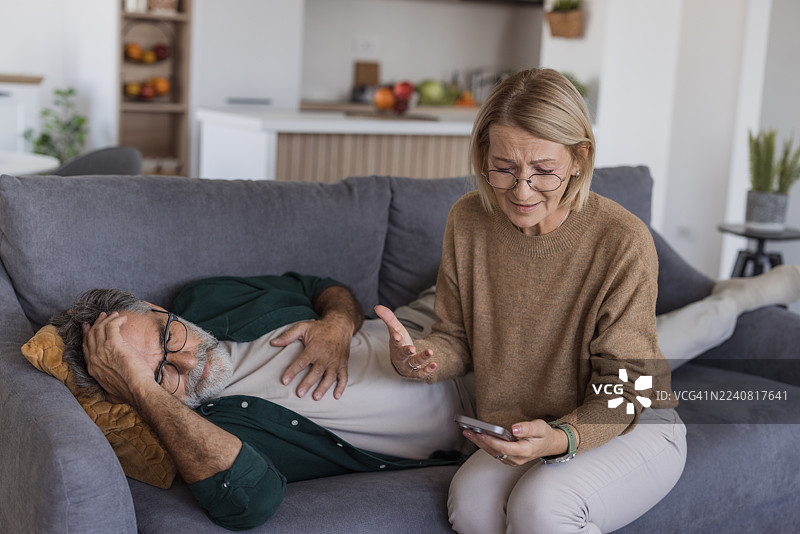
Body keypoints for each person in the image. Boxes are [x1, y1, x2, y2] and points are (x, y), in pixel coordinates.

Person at [371, 67, 791, 534]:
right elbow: (456, 336)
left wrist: (564, 437)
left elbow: (628, 386)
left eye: (543, 171)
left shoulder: (622, 238)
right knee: (470, 504)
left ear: (579, 158)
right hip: (527, 426)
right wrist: (423, 358)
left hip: (631, 421)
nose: (521, 190)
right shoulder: (468, 219)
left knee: (542, 506)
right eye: (504, 168)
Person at [52, 273, 472, 531]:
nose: (187, 361)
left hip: (441, 322)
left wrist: (338, 323)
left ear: (156, 308)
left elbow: (320, 286)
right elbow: (250, 505)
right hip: (477, 418)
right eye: (161, 374)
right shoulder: (201, 435)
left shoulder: (207, 298)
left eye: (167, 337)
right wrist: (138, 386)